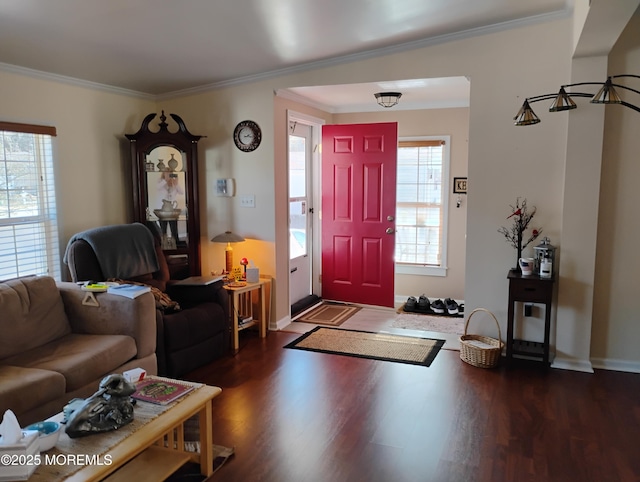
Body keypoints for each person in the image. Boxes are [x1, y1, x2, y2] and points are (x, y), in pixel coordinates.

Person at [156, 171, 184, 246]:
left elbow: (181, 192)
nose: (169, 175)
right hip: (163, 210)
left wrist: (176, 183)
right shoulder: (161, 181)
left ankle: (176, 243)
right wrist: (165, 180)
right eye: (167, 173)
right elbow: (157, 188)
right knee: (163, 230)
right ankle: (163, 243)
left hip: (172, 210)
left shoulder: (174, 183)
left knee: (174, 229)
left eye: (170, 173)